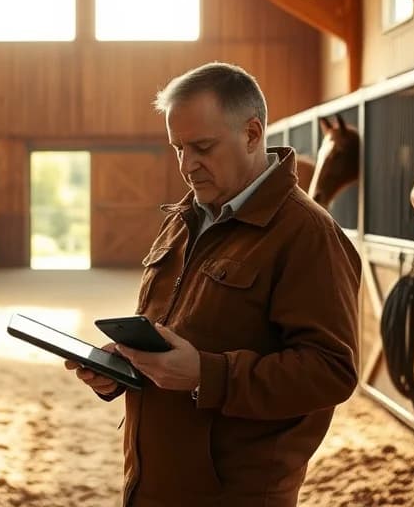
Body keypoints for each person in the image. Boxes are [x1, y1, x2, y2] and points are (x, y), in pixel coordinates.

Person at [65, 62, 361, 506]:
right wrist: (123, 367)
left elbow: (331, 371)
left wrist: (207, 374)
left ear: (252, 132)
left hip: (234, 493)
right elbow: (171, 332)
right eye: (178, 148)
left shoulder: (306, 234)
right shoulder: (185, 220)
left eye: (202, 147)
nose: (187, 166)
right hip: (153, 483)